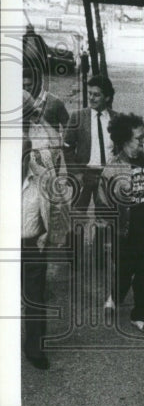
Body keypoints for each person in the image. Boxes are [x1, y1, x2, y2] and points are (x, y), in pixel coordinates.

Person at [98, 113, 144, 333]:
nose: (143, 141)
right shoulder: (113, 168)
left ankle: (139, 314)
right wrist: (108, 234)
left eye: (143, 137)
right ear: (124, 139)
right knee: (125, 270)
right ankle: (115, 296)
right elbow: (103, 205)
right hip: (125, 231)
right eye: (138, 138)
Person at [21, 139, 58, 369]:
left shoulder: (43, 177)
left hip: (33, 244)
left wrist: (49, 234)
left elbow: (58, 207)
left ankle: (34, 348)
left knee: (34, 298)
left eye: (23, 157)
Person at [63, 74, 116, 210]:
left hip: (107, 175)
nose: (91, 98)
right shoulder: (78, 117)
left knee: (105, 217)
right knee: (77, 215)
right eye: (90, 94)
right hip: (84, 175)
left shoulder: (116, 118)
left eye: (97, 95)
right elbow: (67, 147)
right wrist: (76, 173)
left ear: (107, 97)